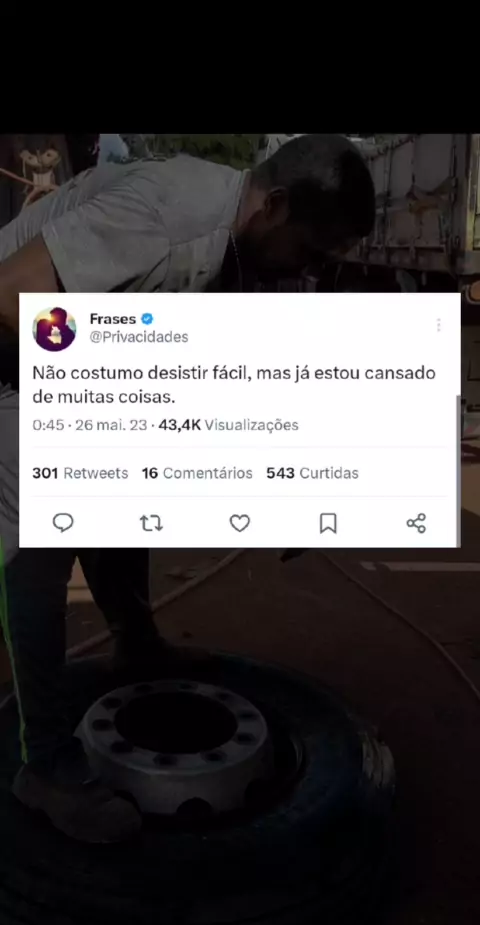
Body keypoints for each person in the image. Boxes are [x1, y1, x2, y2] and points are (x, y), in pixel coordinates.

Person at [0, 133, 375, 844]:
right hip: (10, 351)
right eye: (310, 250)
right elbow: (13, 293)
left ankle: (135, 641)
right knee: (42, 537)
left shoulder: (240, 246)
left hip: (67, 348)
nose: (310, 269)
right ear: (275, 205)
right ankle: (43, 765)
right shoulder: (169, 219)